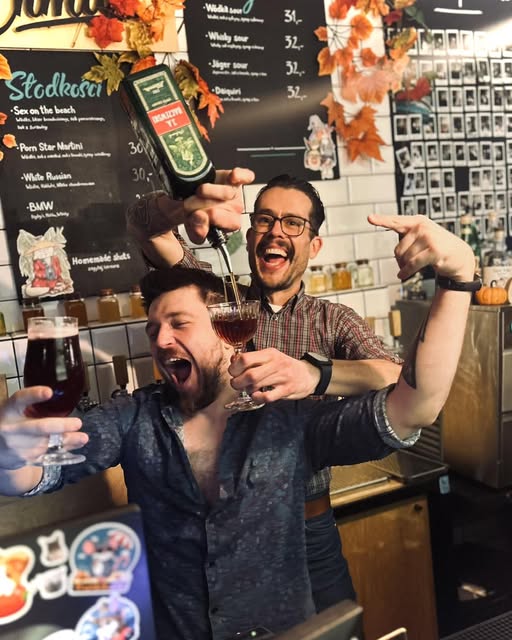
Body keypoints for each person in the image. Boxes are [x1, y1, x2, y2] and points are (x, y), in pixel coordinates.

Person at [0, 215, 477, 639]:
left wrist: (456, 281)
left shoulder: (287, 418)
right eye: (153, 330)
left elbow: (414, 407)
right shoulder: (134, 417)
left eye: (179, 324)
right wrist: (8, 456)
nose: (161, 340)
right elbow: (34, 473)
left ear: (226, 332)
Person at [126, 172, 402, 610]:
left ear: (314, 245)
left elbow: (394, 376)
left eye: (293, 223)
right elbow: (146, 228)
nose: (276, 232)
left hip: (308, 527)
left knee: (335, 629)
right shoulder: (216, 297)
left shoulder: (332, 320)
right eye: (265, 219)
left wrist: (314, 374)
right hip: (223, 527)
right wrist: (180, 207)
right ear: (251, 233)